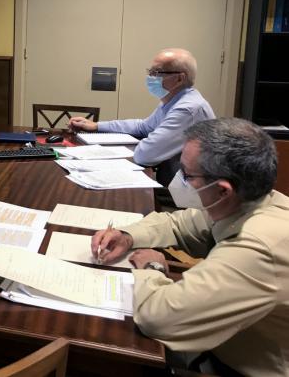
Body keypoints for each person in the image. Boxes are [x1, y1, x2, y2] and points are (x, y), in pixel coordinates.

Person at [91, 118, 289, 377]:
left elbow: (158, 319)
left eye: (187, 174)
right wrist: (127, 236)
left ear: (222, 190)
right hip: (219, 344)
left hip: (232, 367)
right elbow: (178, 223)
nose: (179, 179)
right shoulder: (249, 201)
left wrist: (152, 267)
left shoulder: (259, 248)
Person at [68, 48, 215, 185]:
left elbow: (146, 155)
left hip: (190, 191)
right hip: (171, 177)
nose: (150, 77)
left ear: (180, 78)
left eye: (157, 72)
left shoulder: (187, 110)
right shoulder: (173, 100)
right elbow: (143, 127)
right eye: (150, 71)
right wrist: (97, 126)